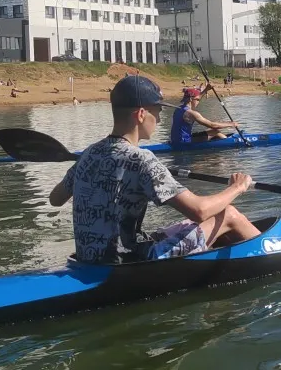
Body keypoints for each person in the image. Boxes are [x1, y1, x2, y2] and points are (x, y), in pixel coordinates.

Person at [48, 75, 261, 264]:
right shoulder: (142, 159)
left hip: (88, 259)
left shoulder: (89, 152)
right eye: (157, 112)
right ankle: (275, 251)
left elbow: (55, 199)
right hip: (127, 263)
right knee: (229, 214)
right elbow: (199, 211)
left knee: (179, 227)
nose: (159, 120)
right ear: (141, 114)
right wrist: (237, 187)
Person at [170, 84, 240, 144]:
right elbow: (213, 125)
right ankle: (230, 145)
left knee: (209, 130)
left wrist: (206, 89)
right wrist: (231, 124)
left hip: (175, 140)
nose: (198, 102)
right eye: (197, 100)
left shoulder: (178, 109)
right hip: (184, 142)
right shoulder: (192, 113)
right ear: (191, 99)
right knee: (215, 132)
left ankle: (220, 141)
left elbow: (198, 97)